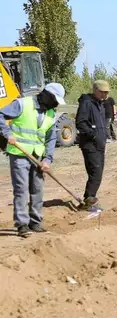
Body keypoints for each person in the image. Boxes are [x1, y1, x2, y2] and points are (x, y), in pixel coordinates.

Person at [0, 83, 66, 236]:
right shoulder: (22, 104)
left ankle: (35, 222)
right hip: (19, 154)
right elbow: (1, 115)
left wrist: (48, 159)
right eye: (54, 100)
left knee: (37, 189)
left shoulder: (50, 114)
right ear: (47, 95)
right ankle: (22, 225)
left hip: (38, 156)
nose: (55, 103)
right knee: (21, 189)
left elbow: (51, 138)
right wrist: (7, 132)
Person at [76, 80, 111, 210]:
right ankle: (89, 200)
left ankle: (89, 199)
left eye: (106, 92)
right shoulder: (87, 103)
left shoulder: (100, 104)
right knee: (95, 173)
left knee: (98, 173)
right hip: (90, 145)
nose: (104, 95)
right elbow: (81, 123)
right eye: (102, 92)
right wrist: (94, 135)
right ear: (95, 90)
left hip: (99, 145)